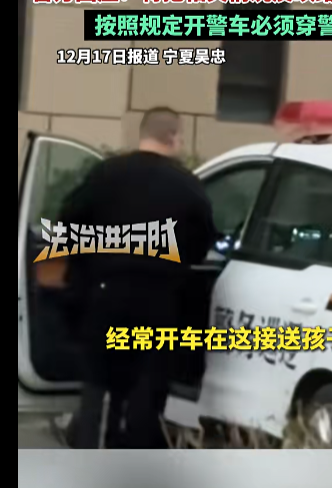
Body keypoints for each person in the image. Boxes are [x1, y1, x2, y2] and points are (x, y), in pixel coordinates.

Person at [59, 107, 217, 448]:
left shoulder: (106, 174)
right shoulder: (187, 185)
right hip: (158, 301)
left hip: (106, 296)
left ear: (143, 134)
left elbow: (68, 223)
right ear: (173, 137)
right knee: (147, 390)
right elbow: (203, 241)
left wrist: (85, 267)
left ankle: (91, 458)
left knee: (100, 388)